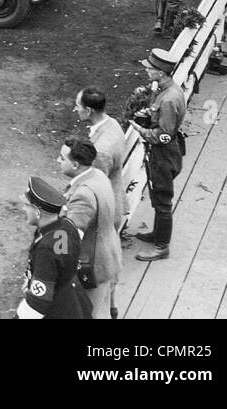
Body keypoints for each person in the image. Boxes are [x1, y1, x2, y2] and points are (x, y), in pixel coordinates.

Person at [132, 48, 187, 262]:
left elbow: (163, 136)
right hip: (167, 153)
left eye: (150, 68)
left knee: (162, 199)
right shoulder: (168, 90)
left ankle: (162, 246)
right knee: (157, 193)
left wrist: (141, 130)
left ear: (160, 72)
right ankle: (157, 234)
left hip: (163, 154)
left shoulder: (167, 99)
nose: (146, 70)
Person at [59, 138, 123, 321]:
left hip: (93, 267)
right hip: (108, 255)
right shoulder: (97, 175)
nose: (58, 161)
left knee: (84, 314)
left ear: (75, 164)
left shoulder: (83, 194)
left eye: (62, 158)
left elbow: (69, 238)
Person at [15, 176, 91, 319]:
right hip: (73, 301)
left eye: (27, 205)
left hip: (57, 311)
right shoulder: (65, 226)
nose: (24, 208)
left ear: (37, 212)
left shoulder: (47, 249)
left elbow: (38, 303)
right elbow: (59, 266)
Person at [73, 87, 128, 234]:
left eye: (78, 106)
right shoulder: (112, 124)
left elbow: (96, 187)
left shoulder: (101, 151)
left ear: (88, 110)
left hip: (102, 218)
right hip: (115, 196)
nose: (75, 109)